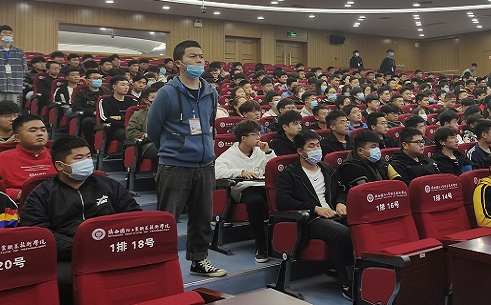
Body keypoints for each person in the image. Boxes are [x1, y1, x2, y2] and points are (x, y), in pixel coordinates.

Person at [20, 135, 140, 305]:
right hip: (69, 256)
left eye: (88, 156)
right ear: (60, 165)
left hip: (112, 248)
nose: (86, 161)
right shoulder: (41, 194)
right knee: (59, 279)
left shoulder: (109, 185)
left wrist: (111, 242)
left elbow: (134, 215)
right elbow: (39, 233)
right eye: (79, 158)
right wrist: (83, 247)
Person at [146, 40, 226, 277]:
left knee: (202, 218)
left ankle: (198, 260)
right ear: (178, 63)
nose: (199, 60)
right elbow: (153, 129)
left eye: (201, 56)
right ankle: (160, 265)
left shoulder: (211, 91)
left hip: (205, 165)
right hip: (175, 165)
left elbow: (209, 124)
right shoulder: (167, 93)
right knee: (167, 219)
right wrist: (173, 149)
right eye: (192, 56)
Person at [275, 130, 354, 300]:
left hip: (333, 213)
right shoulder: (290, 174)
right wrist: (315, 208)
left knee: (358, 227)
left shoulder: (327, 168)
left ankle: (359, 274)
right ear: (300, 151)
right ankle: (347, 283)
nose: (317, 149)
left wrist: (341, 202)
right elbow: (282, 201)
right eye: (311, 146)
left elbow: (341, 189)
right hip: (310, 219)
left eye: (318, 145)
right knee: (342, 233)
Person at [214, 120, 276, 262]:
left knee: (282, 198)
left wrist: (268, 152)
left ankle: (279, 241)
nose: (259, 137)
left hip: (263, 186)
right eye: (254, 135)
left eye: (259, 134)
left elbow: (274, 168)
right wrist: (240, 172)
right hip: (245, 188)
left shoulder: (261, 151)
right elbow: (218, 172)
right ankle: (261, 245)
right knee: (256, 202)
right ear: (244, 138)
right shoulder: (229, 155)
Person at [0, 114, 55, 201]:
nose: (40, 134)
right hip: (18, 204)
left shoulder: (58, 156)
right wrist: (17, 194)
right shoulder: (0, 159)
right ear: (17, 138)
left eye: (43, 130)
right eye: (33, 130)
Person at [125, 83, 162, 163]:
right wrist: (148, 135)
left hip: (167, 142)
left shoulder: (168, 114)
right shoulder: (138, 115)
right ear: (146, 100)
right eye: (153, 98)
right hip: (147, 144)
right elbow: (130, 133)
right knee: (161, 151)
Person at [71, 69, 108, 150]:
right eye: (95, 78)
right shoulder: (81, 93)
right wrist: (92, 112)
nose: (98, 80)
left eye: (99, 78)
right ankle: (90, 146)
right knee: (87, 122)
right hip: (90, 116)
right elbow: (76, 107)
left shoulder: (106, 92)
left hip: (105, 116)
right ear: (87, 81)